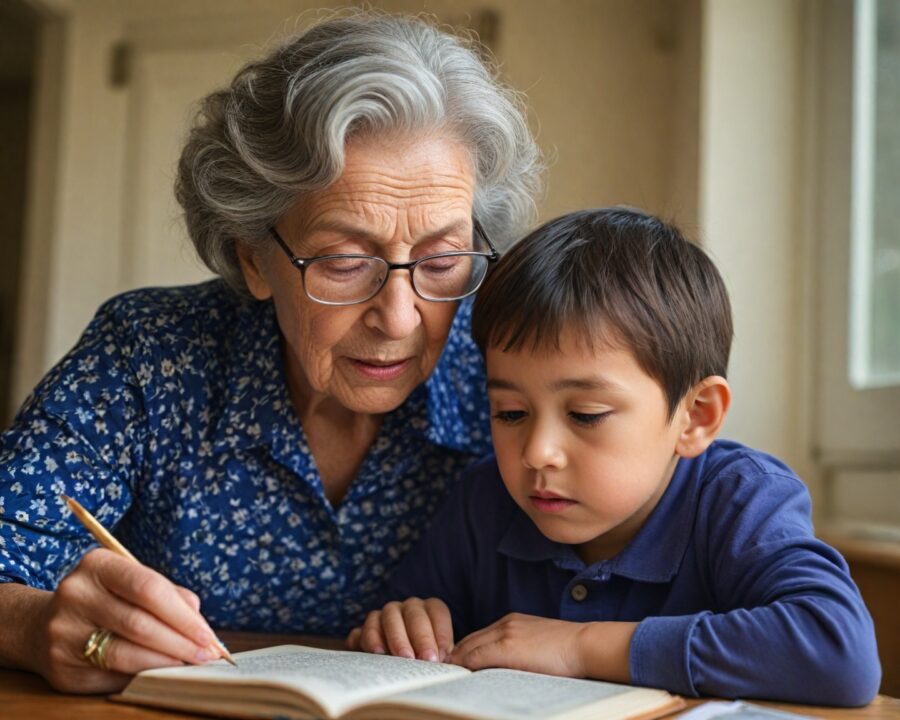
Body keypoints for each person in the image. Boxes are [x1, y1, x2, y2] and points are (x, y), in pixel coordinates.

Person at [0, 11, 542, 693]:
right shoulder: (149, 357)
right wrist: (28, 623)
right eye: (345, 262)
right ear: (252, 257)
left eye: (441, 261)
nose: (399, 317)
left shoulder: (515, 372)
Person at [347, 208, 882, 706]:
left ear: (695, 416)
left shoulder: (740, 497)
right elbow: (403, 621)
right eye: (510, 413)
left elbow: (839, 652)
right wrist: (404, 622)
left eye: (585, 414)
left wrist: (580, 648)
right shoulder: (481, 504)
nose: (537, 452)